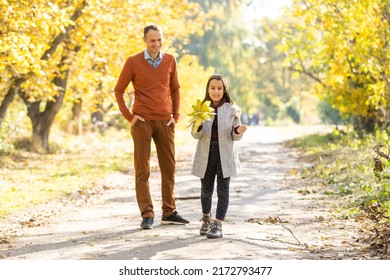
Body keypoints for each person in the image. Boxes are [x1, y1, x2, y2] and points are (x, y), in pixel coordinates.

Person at [114, 24, 189, 229]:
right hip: (142, 122)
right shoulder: (133, 62)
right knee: (142, 170)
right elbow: (119, 90)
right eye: (152, 40)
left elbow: (175, 89)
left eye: (159, 39)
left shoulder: (170, 60)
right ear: (145, 41)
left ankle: (169, 211)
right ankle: (147, 214)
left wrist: (176, 115)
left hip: (165, 121)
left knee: (169, 168)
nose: (156, 44)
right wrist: (130, 116)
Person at [191, 74, 247, 238]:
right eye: (213, 88)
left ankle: (218, 224)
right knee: (206, 191)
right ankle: (206, 219)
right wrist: (198, 125)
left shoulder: (232, 109)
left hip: (225, 156)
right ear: (208, 89)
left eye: (219, 88)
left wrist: (238, 131)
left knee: (223, 191)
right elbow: (195, 135)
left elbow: (235, 135)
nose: (216, 91)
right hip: (206, 155)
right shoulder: (201, 108)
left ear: (225, 90)